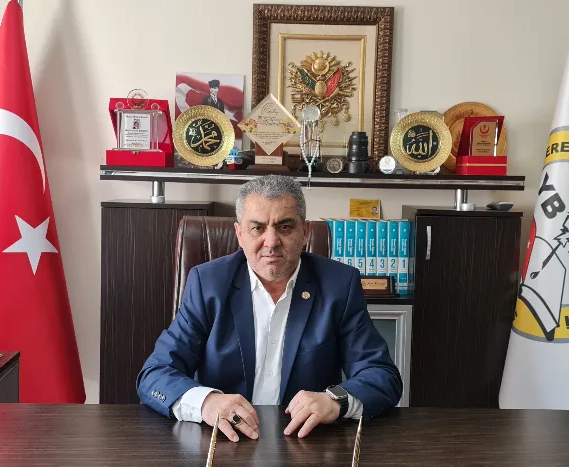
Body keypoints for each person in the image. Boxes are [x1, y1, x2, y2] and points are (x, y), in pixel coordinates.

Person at [137, 175, 402, 442]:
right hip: (222, 440)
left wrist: (335, 400)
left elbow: (382, 375)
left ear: (305, 232)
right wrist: (207, 403)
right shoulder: (208, 284)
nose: (271, 242)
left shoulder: (339, 285)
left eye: (285, 227)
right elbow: (155, 375)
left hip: (305, 442)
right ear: (239, 234)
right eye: (257, 228)